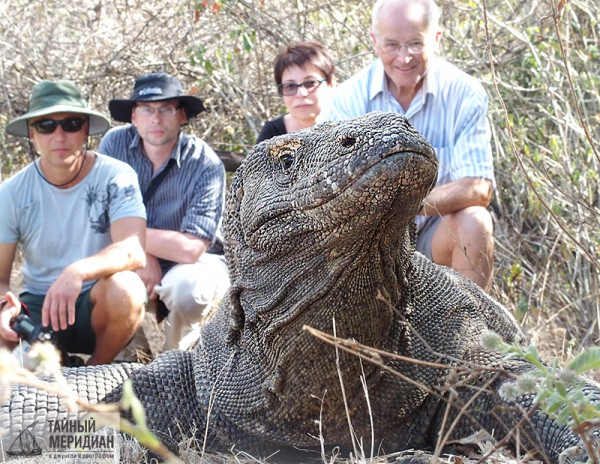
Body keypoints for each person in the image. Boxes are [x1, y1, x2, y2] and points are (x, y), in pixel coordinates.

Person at [319, 0, 495, 290]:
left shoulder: (464, 94)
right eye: (392, 45)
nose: (404, 58)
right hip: (367, 245)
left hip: (434, 238)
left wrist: (406, 205)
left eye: (415, 43)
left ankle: (469, 330)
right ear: (374, 42)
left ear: (436, 38)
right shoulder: (348, 100)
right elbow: (331, 191)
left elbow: (479, 187)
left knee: (476, 221)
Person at [0, 80, 147, 365]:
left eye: (70, 124)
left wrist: (76, 272)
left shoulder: (117, 175)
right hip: (37, 307)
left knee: (127, 288)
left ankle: (94, 375)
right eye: (46, 125)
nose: (59, 135)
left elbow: (133, 249)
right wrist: (5, 306)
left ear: (85, 130)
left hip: (94, 305)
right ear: (32, 134)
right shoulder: (11, 193)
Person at [98, 72, 229, 351]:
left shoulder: (205, 163)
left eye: (166, 109)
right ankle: (130, 358)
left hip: (195, 263)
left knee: (190, 290)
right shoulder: (114, 145)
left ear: (182, 116)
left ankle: (175, 364)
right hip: (129, 256)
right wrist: (142, 254)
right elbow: (101, 216)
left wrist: (134, 240)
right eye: (146, 109)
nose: (155, 119)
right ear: (133, 116)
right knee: (103, 277)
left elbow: (191, 248)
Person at [256, 40, 336, 143]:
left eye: (310, 83)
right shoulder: (272, 134)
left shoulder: (350, 124)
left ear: (331, 84)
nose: (301, 94)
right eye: (290, 86)